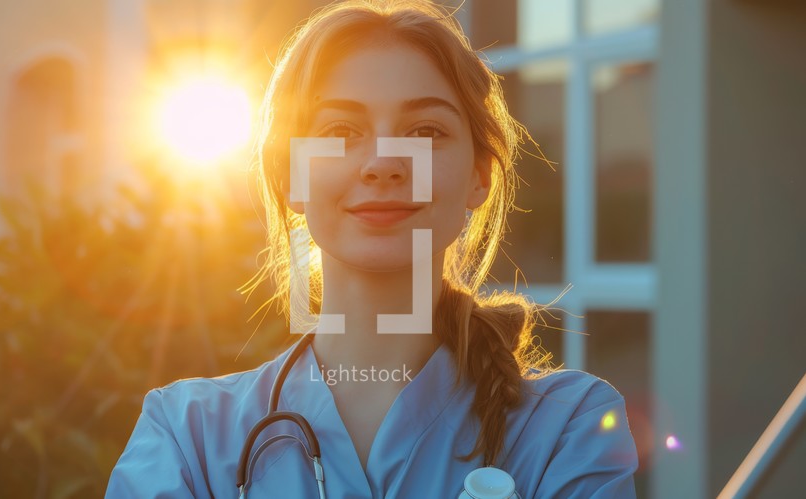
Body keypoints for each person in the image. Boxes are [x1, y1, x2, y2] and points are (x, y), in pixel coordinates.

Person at [105, 0, 639, 497]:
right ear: (292, 175)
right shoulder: (185, 436)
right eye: (340, 129)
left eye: (426, 131)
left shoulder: (570, 429)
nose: (383, 163)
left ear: (478, 175)